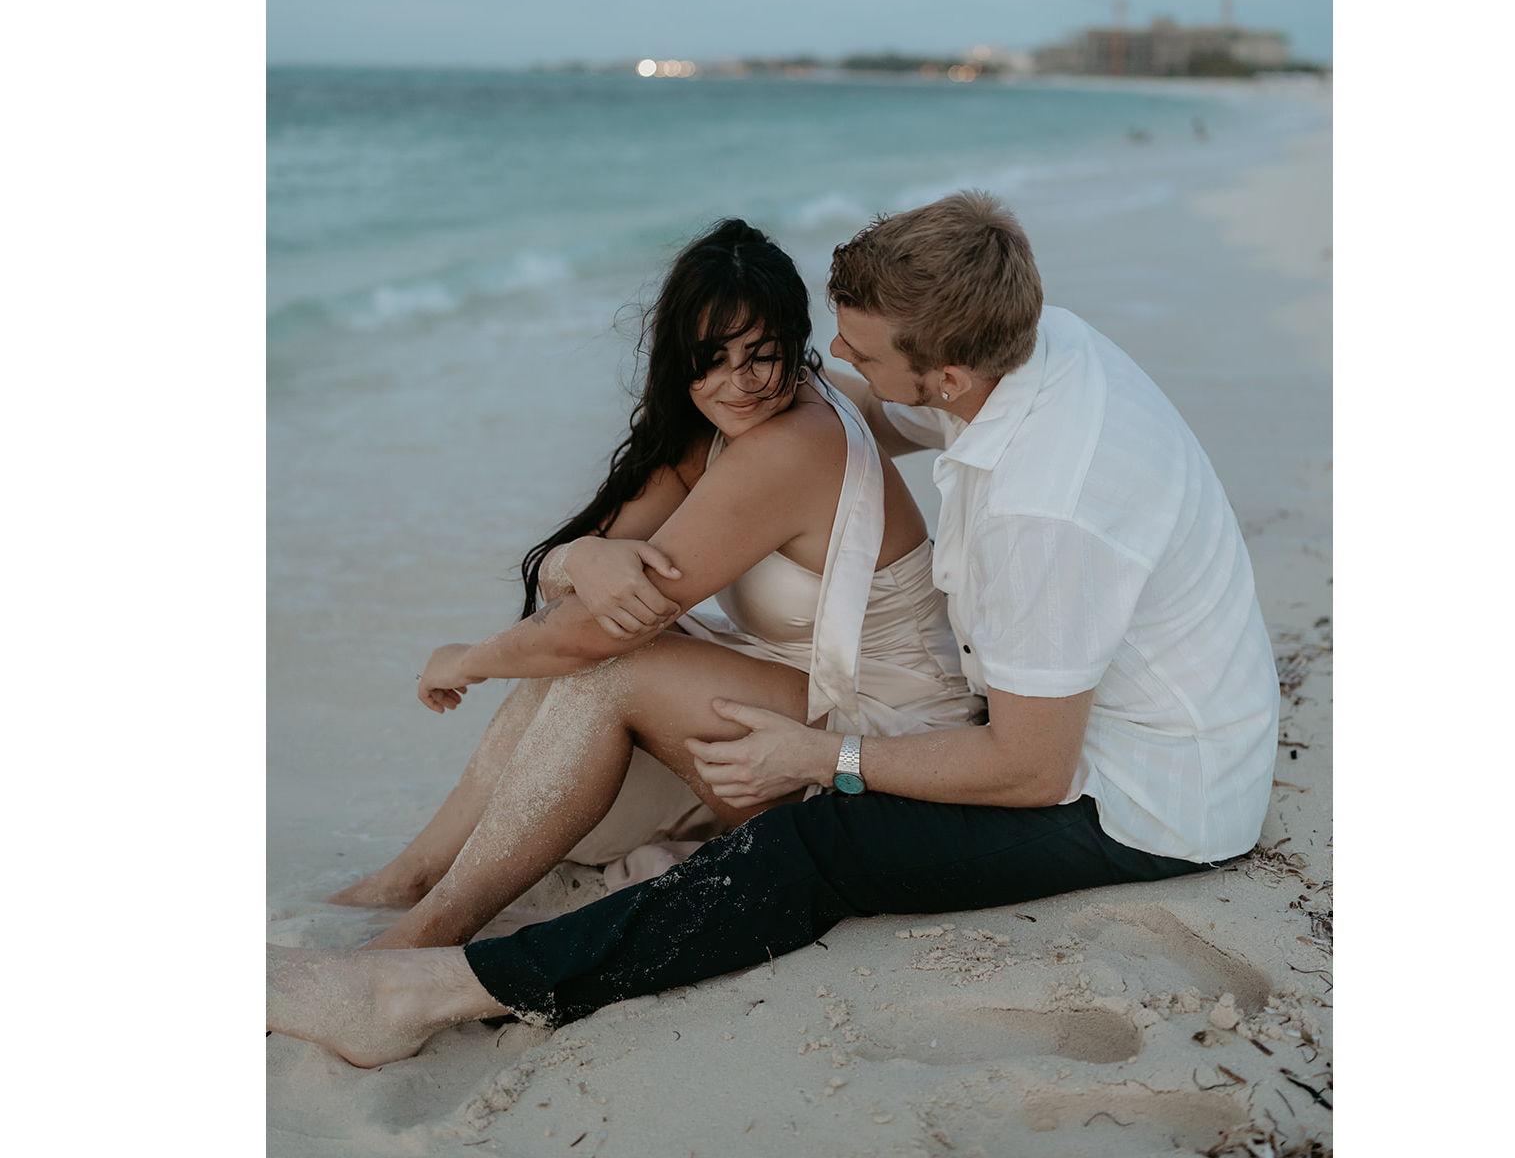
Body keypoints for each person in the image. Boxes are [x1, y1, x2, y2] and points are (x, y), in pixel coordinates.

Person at [268, 192, 1281, 1067]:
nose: (829, 359)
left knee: (810, 845)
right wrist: (594, 546)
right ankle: (417, 895)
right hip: (1111, 724)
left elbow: (1030, 770)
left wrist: (823, 753)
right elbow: (815, 427)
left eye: (860, 347)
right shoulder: (1023, 344)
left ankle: (424, 989)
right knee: (733, 750)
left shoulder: (1043, 502)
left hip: (1142, 804)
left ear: (948, 373)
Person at [325, 217, 981, 951]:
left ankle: (421, 938)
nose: (737, 384)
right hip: (814, 697)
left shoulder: (791, 444)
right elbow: (580, 583)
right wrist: (579, 559)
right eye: (712, 359)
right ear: (680, 357)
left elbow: (593, 632)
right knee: (585, 656)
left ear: (796, 348)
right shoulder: (722, 431)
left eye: (761, 356)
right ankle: (411, 878)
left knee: (610, 664)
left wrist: (466, 660)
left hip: (891, 748)